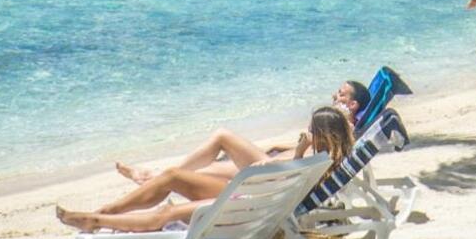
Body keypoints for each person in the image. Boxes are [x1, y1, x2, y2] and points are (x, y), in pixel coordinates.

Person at [59, 106, 354, 232]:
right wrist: (296, 153)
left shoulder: (310, 160)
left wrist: (294, 153)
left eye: (311, 129)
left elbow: (271, 171)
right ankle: (107, 212)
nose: (306, 131)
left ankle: (99, 219)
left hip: (249, 207)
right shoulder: (325, 160)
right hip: (257, 200)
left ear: (322, 135)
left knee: (168, 210)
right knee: (174, 180)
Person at [113, 80, 369, 185]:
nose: (335, 95)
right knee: (198, 171)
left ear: (353, 105)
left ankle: (151, 177)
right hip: (277, 164)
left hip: (273, 172)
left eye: (341, 94)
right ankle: (150, 176)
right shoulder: (338, 131)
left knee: (223, 136)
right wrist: (283, 148)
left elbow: (308, 155)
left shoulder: (341, 129)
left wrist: (294, 150)